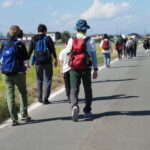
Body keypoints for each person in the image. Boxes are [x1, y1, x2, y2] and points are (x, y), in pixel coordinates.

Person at [66, 19, 98, 121]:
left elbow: (68, 53)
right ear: (85, 29)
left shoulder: (71, 39)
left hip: (74, 68)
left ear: (77, 28)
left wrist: (67, 67)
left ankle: (74, 106)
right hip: (86, 68)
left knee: (74, 90)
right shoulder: (89, 40)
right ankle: (87, 110)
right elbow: (93, 55)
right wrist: (96, 69)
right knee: (87, 89)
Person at [0, 25, 31, 126]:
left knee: (10, 96)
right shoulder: (20, 44)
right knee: (23, 93)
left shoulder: (3, 44)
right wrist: (27, 66)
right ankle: (24, 114)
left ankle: (13, 119)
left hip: (6, 74)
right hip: (19, 73)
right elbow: (26, 60)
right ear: (18, 34)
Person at [28, 24, 58, 104]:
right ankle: (46, 99)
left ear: (38, 30)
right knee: (47, 80)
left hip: (38, 63)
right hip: (47, 62)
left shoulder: (34, 39)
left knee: (39, 80)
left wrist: (27, 62)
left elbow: (30, 51)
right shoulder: (48, 38)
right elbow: (52, 49)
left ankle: (40, 98)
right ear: (45, 30)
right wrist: (55, 59)